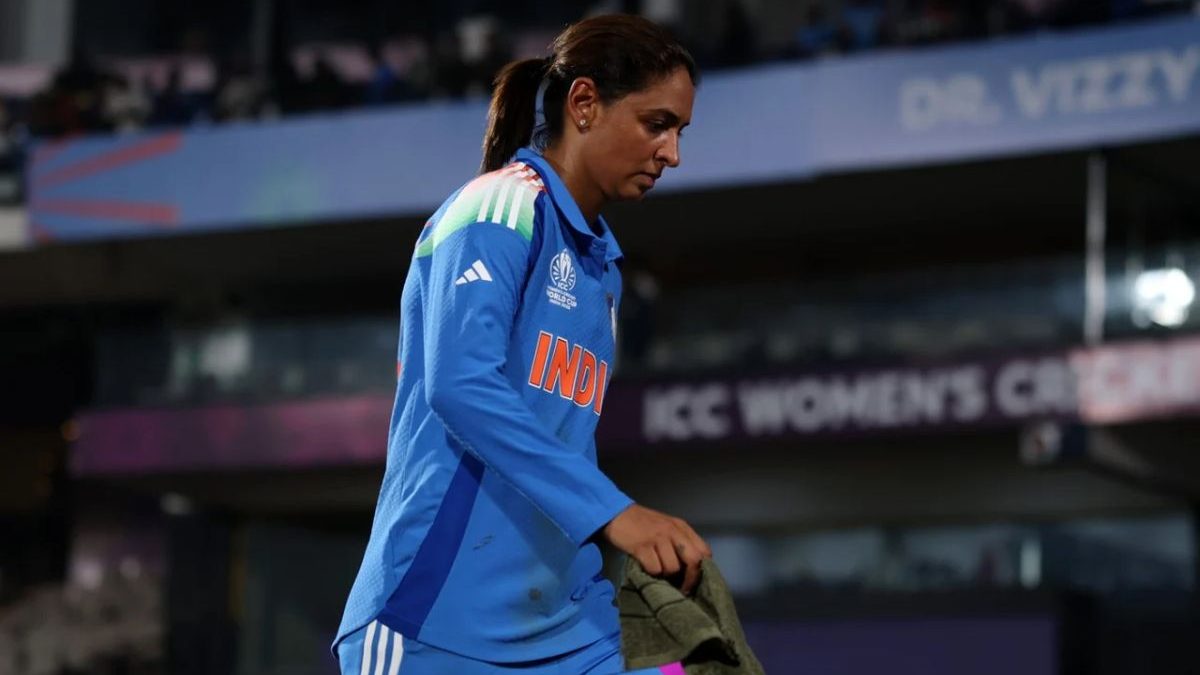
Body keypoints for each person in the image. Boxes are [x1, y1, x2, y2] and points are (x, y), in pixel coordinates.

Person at [334, 14, 708, 675]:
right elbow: (460, 385)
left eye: (679, 131)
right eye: (657, 123)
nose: (671, 153)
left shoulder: (603, 270)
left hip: (566, 626)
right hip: (434, 626)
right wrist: (615, 513)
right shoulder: (497, 208)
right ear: (584, 103)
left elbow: (564, 439)